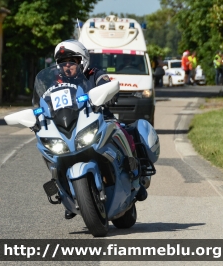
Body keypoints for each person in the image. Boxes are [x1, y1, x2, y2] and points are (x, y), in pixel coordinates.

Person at [52, 39, 146, 219]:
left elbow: (106, 84)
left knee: (121, 130)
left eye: (72, 61)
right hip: (71, 127)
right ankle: (68, 193)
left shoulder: (95, 74)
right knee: (54, 150)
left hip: (101, 119)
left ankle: (135, 174)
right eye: (63, 63)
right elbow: (44, 101)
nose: (67, 66)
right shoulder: (56, 85)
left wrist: (109, 93)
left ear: (83, 61)